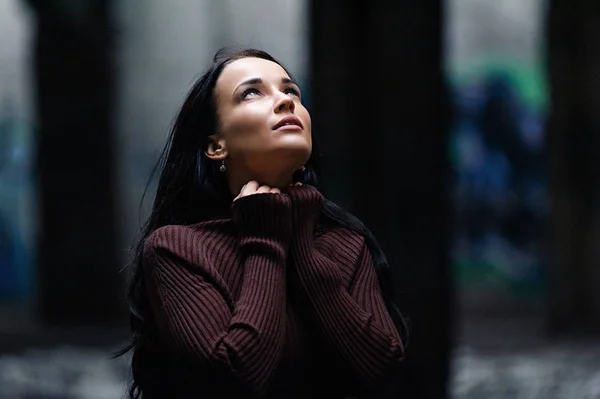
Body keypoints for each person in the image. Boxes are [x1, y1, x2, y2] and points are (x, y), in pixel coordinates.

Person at [120, 48, 407, 399]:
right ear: (215, 146)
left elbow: (382, 373)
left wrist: (301, 244)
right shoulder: (176, 250)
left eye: (291, 91)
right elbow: (233, 380)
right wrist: (265, 241)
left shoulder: (346, 244)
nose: (286, 102)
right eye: (252, 92)